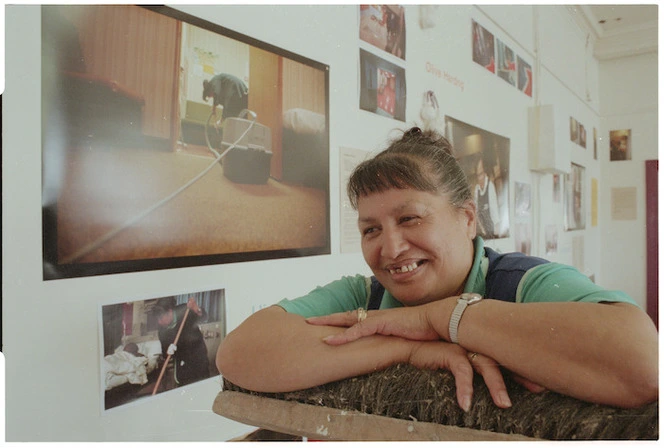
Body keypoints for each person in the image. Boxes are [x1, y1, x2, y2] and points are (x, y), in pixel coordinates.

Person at [217, 127, 658, 412]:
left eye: (409, 219)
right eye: (371, 229)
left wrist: (440, 317)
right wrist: (407, 348)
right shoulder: (362, 296)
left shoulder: (526, 282)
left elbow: (642, 363)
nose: (390, 248)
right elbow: (240, 354)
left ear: (467, 218)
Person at [154, 296, 209, 387]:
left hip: (199, 356)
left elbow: (204, 318)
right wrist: (169, 351)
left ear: (170, 312)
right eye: (157, 319)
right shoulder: (162, 331)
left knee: (203, 384)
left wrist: (196, 309)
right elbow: (165, 353)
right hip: (183, 363)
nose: (159, 322)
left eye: (161, 318)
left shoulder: (185, 310)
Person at [473, 157, 500, 239]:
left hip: (493, 231)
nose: (479, 178)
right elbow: (476, 211)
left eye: (481, 174)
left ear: (485, 173)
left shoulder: (490, 186)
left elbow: (494, 210)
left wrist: (495, 232)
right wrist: (482, 230)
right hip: (483, 233)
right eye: (477, 175)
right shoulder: (477, 189)